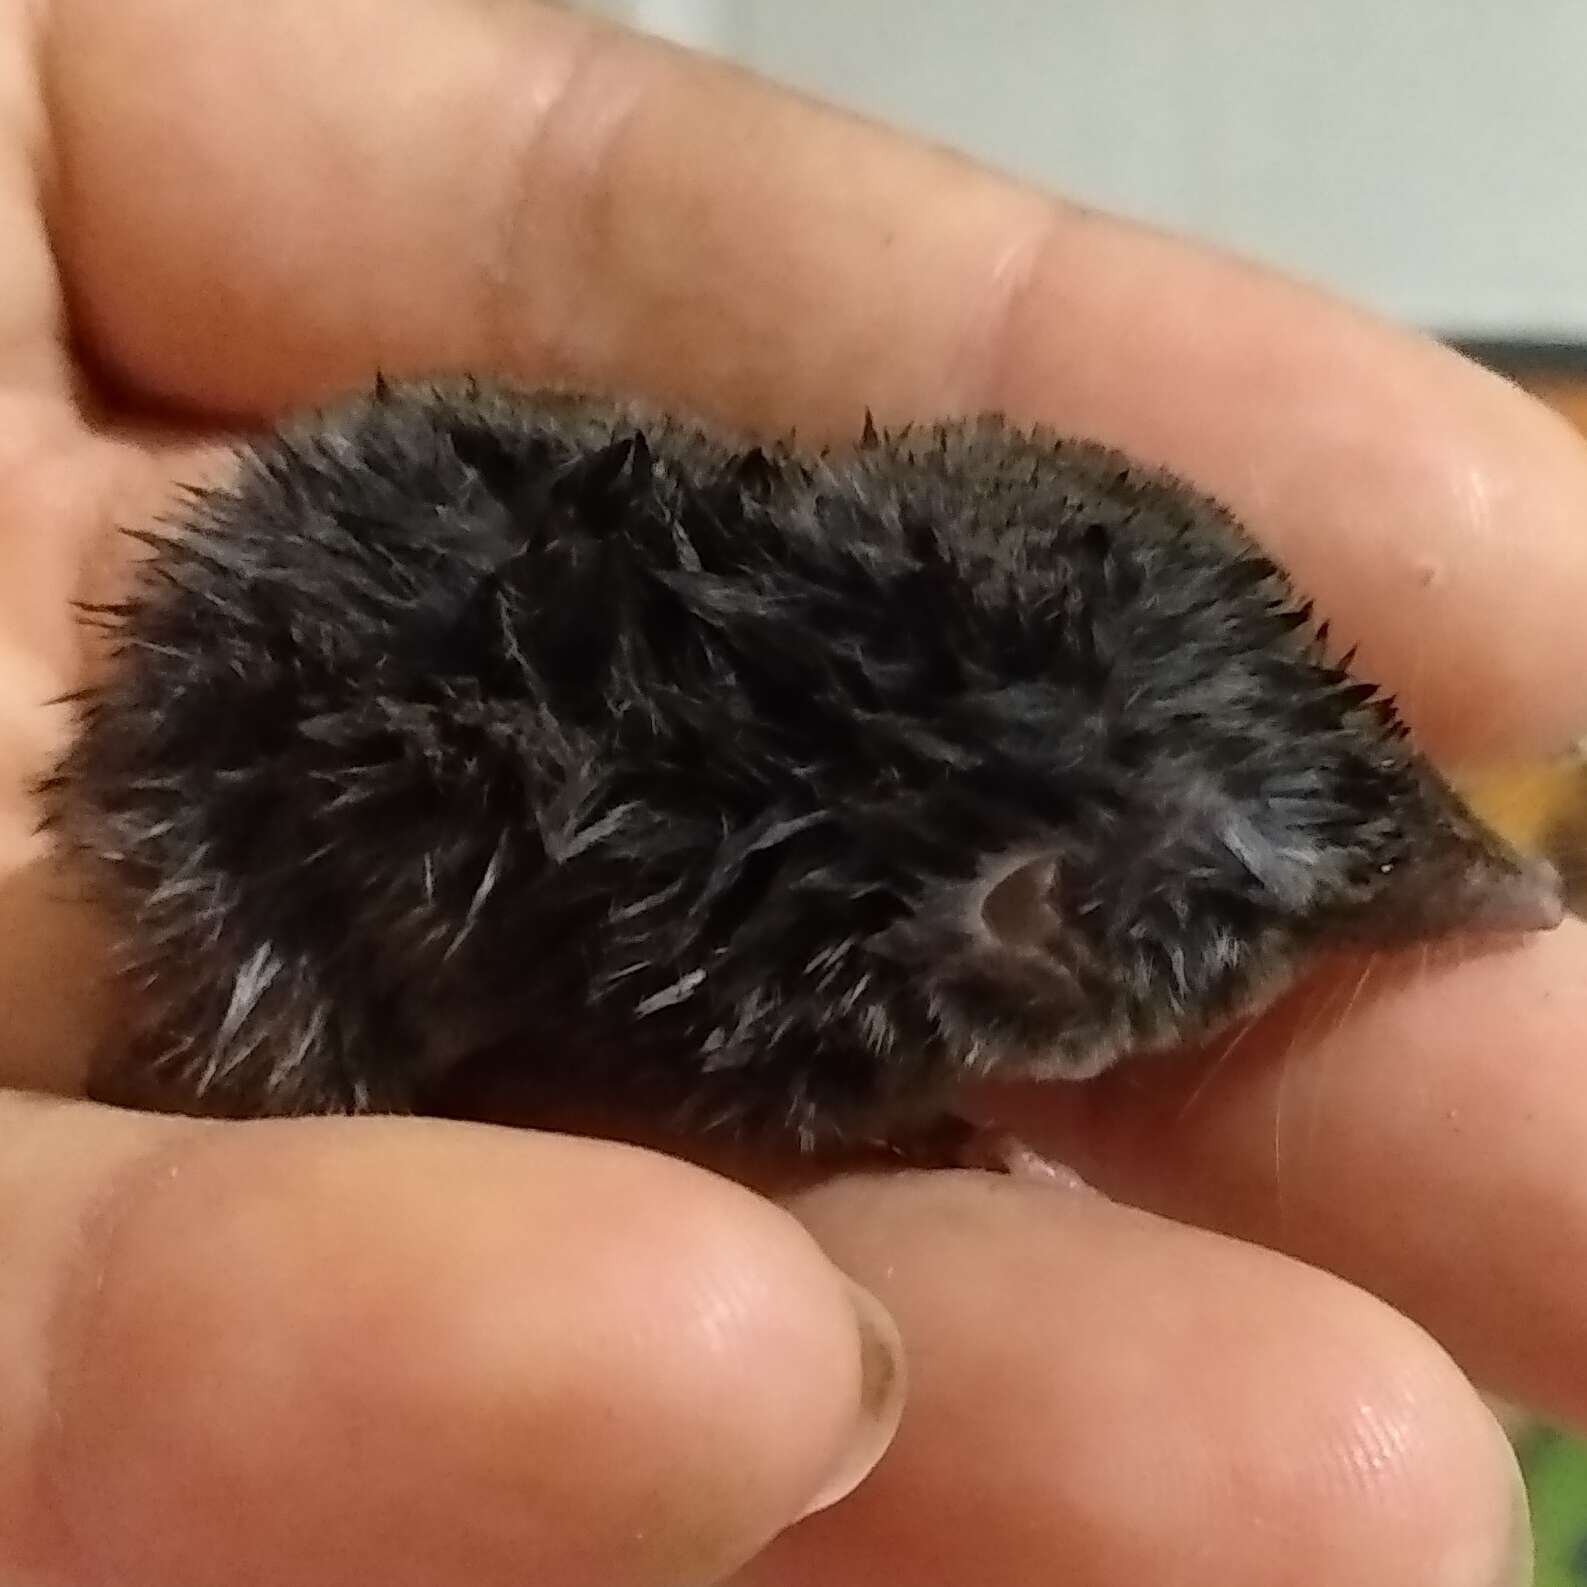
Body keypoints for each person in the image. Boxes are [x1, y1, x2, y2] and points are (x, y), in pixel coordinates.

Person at [1, 3, 1581, 1583]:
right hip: (264, 832)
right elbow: (724, 1041)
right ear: (1030, 930)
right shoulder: (784, 972)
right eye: (1254, 921)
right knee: (327, 1140)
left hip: (324, 609)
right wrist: (891, 1120)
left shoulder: (867, 714)